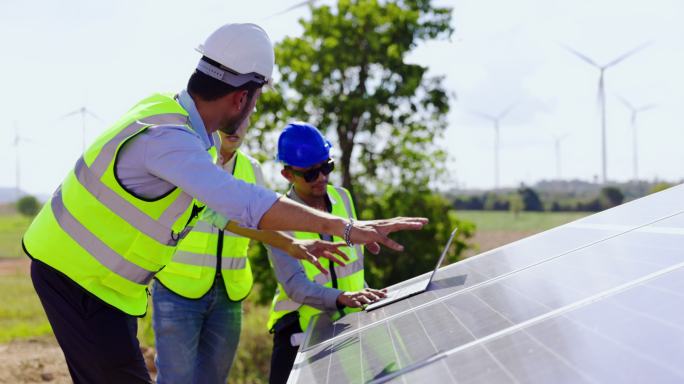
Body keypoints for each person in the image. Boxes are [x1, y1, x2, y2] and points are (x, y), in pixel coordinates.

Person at [22, 22, 426, 383]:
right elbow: (243, 200)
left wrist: (289, 243)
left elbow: (220, 212)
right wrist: (348, 228)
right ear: (240, 99)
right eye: (254, 100)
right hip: (79, 279)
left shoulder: (168, 116)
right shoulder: (171, 141)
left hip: (99, 283)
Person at [267, 123, 388, 384]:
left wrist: (366, 297)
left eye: (326, 167)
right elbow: (295, 285)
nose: (322, 177)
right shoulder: (276, 215)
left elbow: (354, 268)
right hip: (299, 329)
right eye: (311, 173)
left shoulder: (343, 198)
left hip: (350, 320)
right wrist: (342, 297)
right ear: (287, 174)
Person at [151, 120, 262, 383]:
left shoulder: (253, 169)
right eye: (229, 123)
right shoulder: (190, 159)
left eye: (242, 121)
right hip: (177, 289)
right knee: (175, 379)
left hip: (230, 293)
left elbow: (258, 226)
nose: (235, 129)